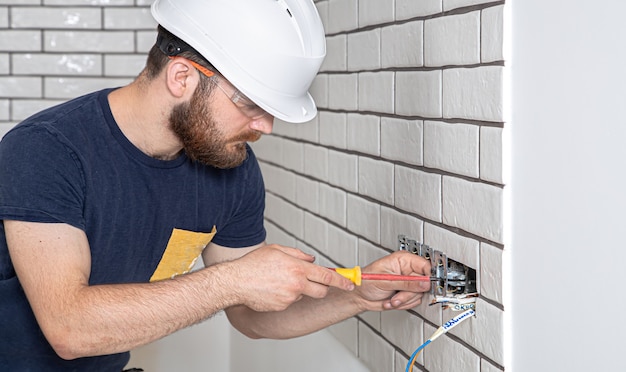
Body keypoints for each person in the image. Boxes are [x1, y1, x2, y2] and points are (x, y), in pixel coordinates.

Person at [0, 0, 431, 370]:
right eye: (250, 104)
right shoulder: (48, 152)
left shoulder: (231, 167)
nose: (266, 126)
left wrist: (359, 294)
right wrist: (230, 281)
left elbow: (251, 316)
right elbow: (70, 329)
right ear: (182, 77)